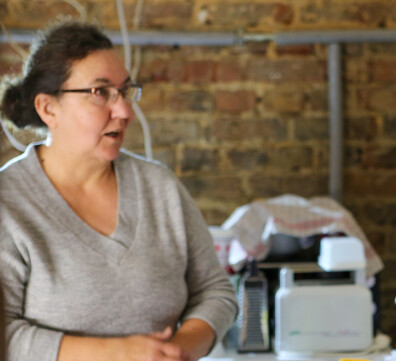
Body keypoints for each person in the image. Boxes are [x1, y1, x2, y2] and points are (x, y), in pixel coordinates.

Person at [0, 21, 238, 361]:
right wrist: (119, 353)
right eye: (99, 92)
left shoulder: (161, 188)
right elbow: (5, 335)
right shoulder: (8, 203)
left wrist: (177, 350)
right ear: (48, 108)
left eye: (124, 91)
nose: (124, 111)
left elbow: (215, 292)